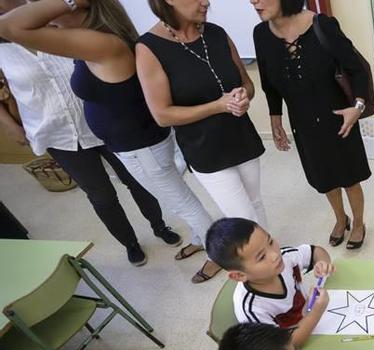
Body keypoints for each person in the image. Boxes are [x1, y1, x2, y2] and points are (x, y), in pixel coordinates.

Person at [0, 0, 221, 282]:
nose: (52, 19)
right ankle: (201, 236)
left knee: (181, 202)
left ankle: (218, 253)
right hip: (136, 143)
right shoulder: (99, 40)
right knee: (176, 195)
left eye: (61, 12)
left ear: (85, 10)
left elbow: (8, 25)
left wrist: (70, 1)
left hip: (141, 147)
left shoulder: (102, 43)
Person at [137, 0, 268, 227]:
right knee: (243, 218)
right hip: (204, 149)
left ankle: (272, 257)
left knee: (255, 203)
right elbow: (162, 114)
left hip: (241, 136)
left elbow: (247, 84)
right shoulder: (149, 48)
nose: (206, 2)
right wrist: (219, 106)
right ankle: (266, 259)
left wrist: (243, 96)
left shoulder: (217, 34)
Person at [252, 0, 371, 249]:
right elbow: (268, 83)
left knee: (349, 177)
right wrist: (276, 118)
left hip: (339, 118)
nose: (254, 1)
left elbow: (357, 69)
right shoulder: (261, 34)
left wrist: (357, 107)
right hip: (303, 122)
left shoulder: (322, 26)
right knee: (324, 177)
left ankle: (358, 223)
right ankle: (341, 219)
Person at [205, 217, 333, 348]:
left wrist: (322, 263)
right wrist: (315, 312)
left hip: (316, 321)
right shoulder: (252, 309)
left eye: (270, 242)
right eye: (261, 257)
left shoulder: (285, 258)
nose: (275, 255)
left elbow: (317, 252)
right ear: (239, 275)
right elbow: (286, 345)